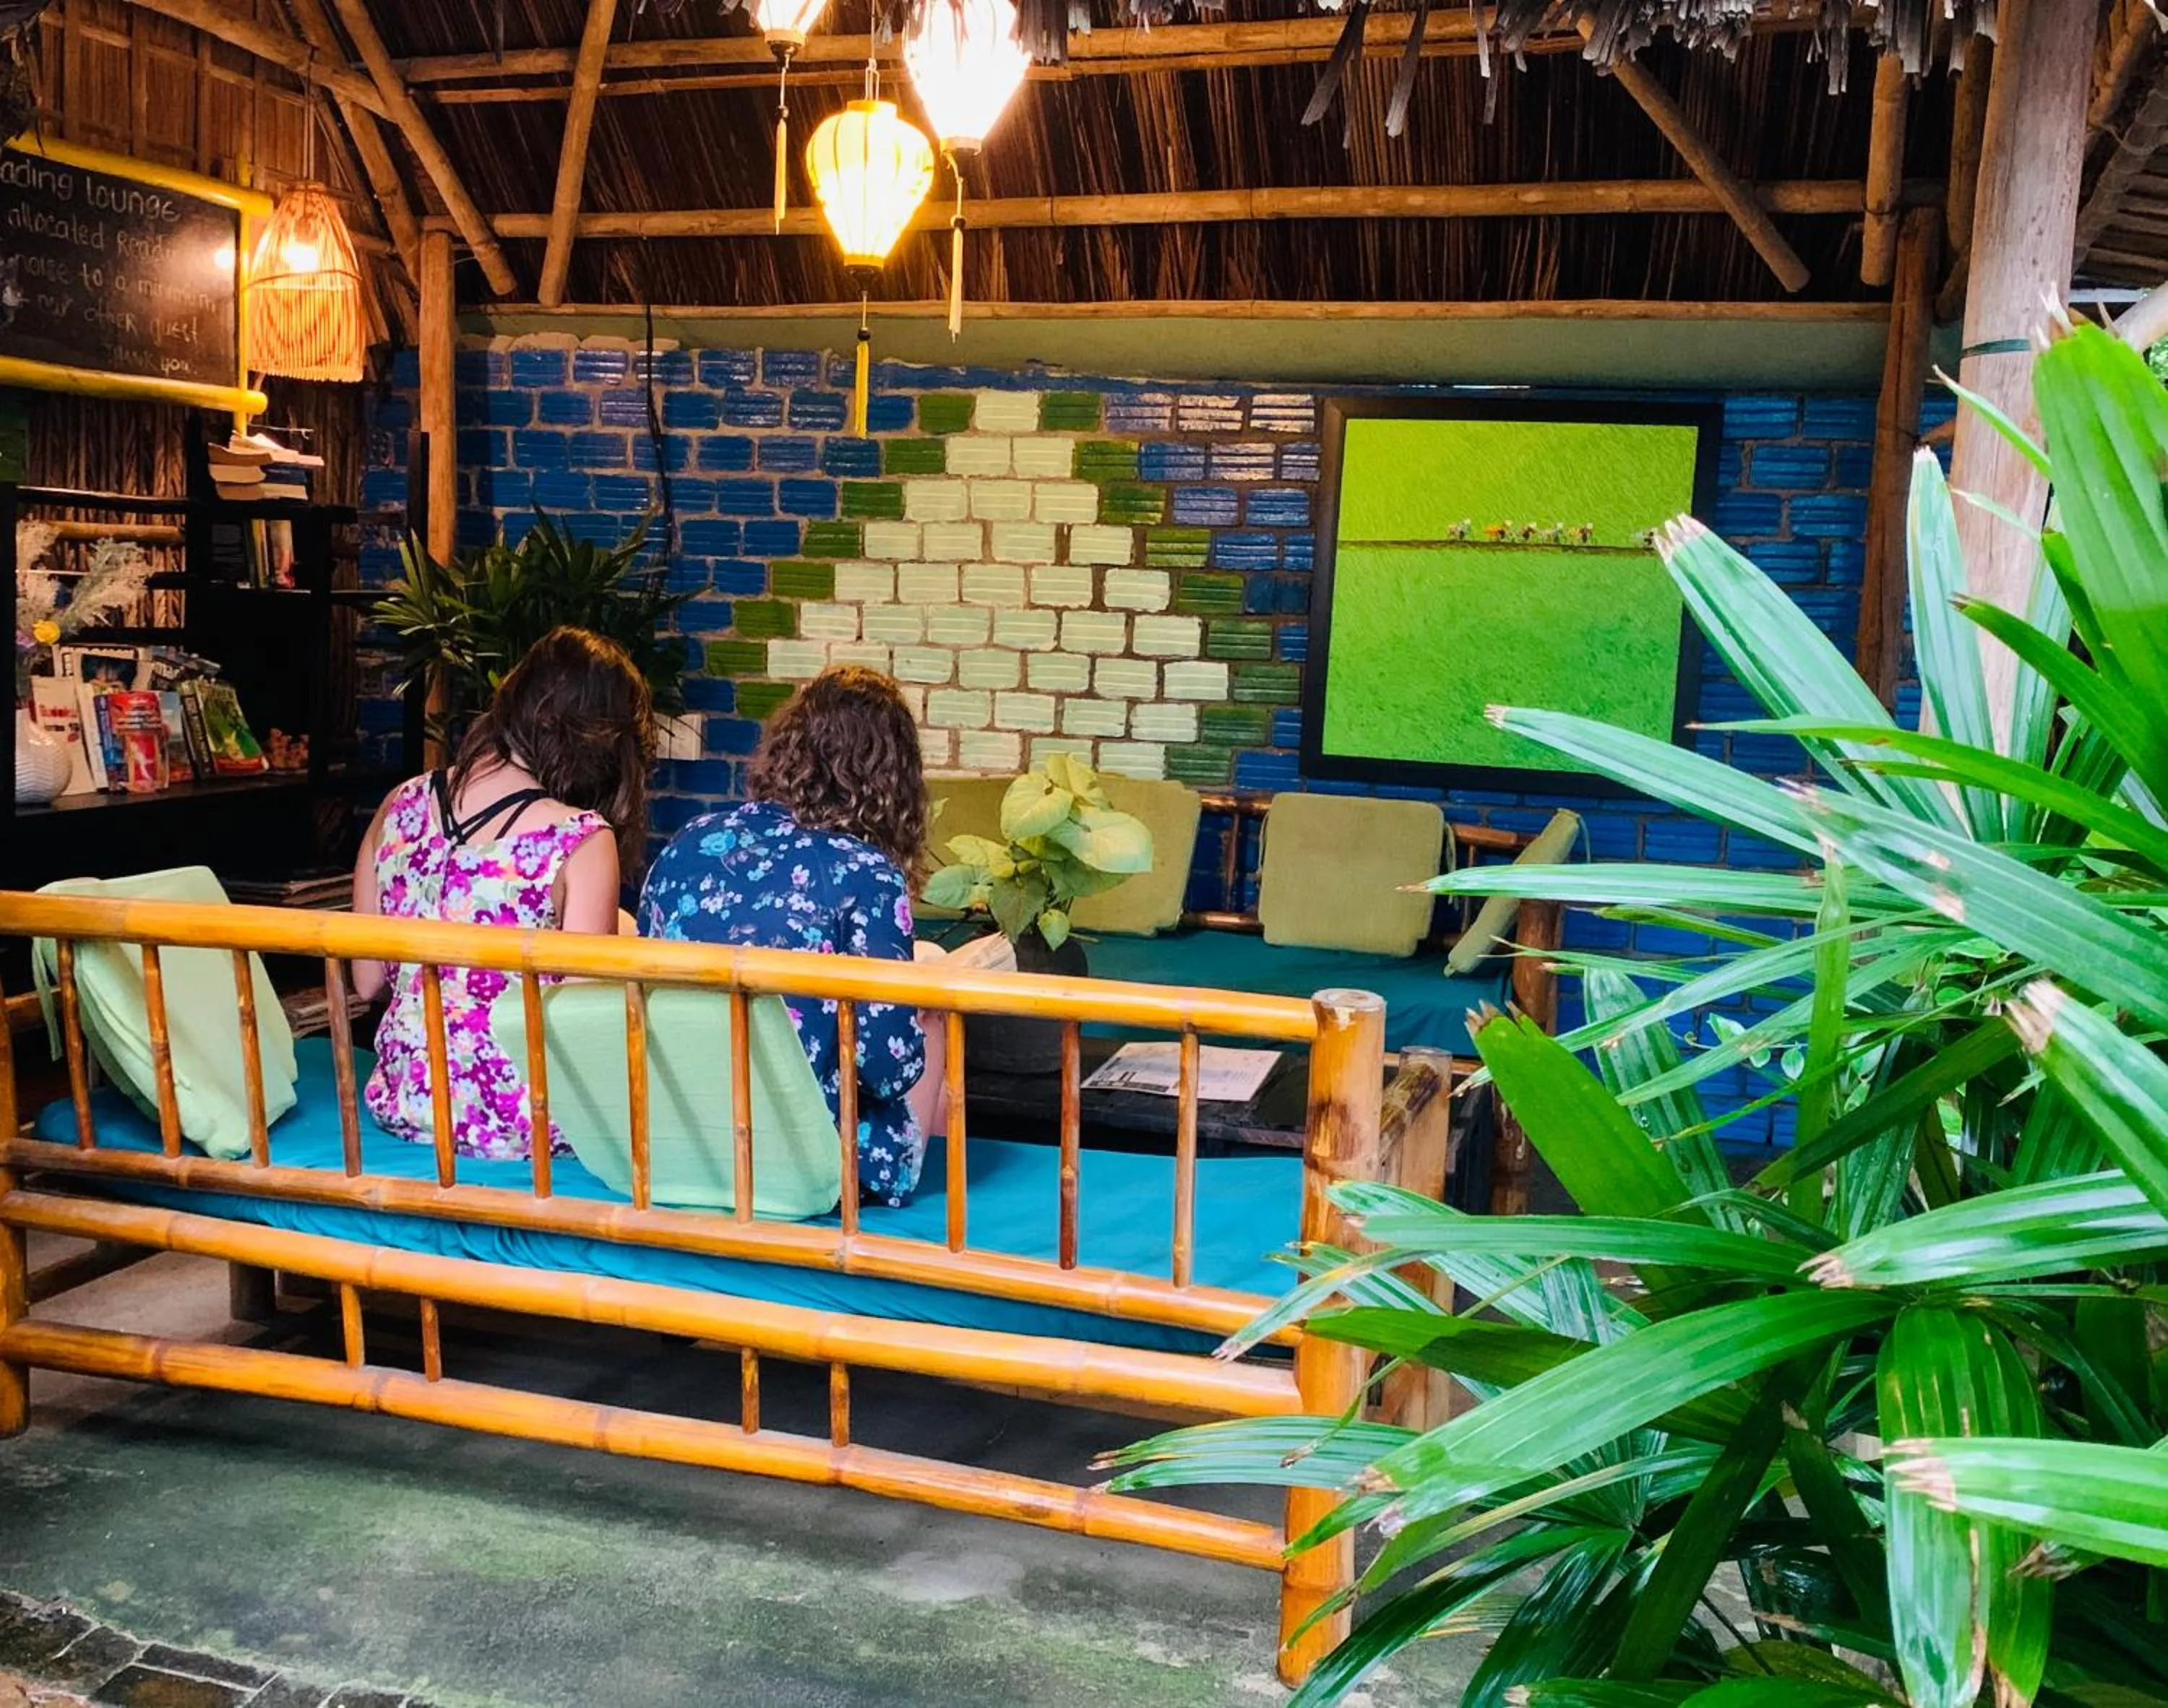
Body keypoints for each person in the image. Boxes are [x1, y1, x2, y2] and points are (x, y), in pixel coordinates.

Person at [638, 665, 942, 1207]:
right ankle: (921, 1196)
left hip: (682, 1142)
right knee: (936, 1011)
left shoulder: (687, 844)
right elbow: (888, 1068)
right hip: (808, 1159)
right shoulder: (867, 873)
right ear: (892, 780)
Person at [353, 626, 655, 1160]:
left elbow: (368, 981)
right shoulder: (580, 838)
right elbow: (582, 1019)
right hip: (524, 1124)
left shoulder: (400, 802)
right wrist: (625, 935)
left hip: (407, 1104)